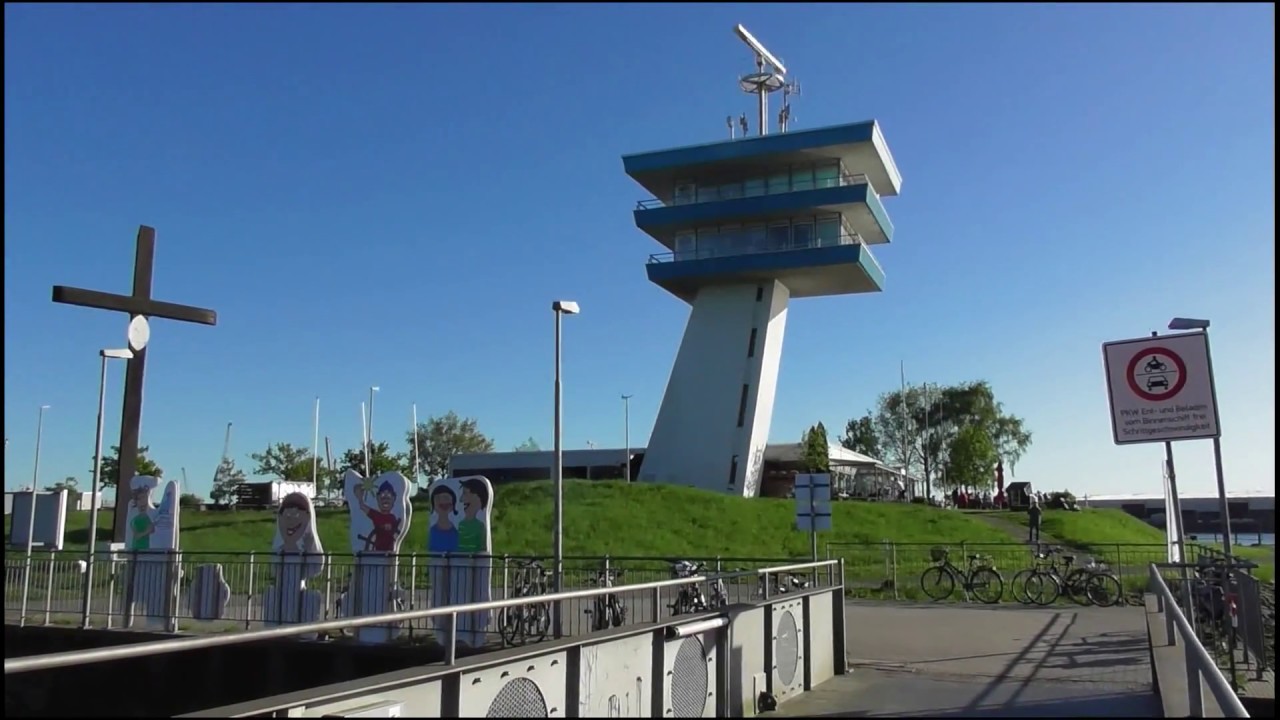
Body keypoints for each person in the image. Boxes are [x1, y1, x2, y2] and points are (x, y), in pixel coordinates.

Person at [356, 480, 401, 553]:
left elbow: (397, 530)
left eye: (389, 495)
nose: (385, 499)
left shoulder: (392, 518)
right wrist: (360, 497)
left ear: (394, 498)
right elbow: (362, 506)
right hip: (378, 549)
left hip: (389, 550)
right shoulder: (376, 515)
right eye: (382, 495)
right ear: (377, 498)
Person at [457, 478, 490, 554]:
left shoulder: (481, 527)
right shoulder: (460, 525)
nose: (461, 499)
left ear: (477, 496)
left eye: (465, 493)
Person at [428, 484, 460, 553]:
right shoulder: (432, 532)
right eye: (438, 499)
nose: (442, 501)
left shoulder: (456, 534)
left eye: (446, 498)